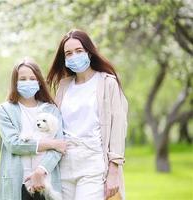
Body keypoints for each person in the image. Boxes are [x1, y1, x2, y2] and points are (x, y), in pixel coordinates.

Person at [46, 29, 128, 200]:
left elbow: (118, 128)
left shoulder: (107, 82)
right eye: (68, 53)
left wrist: (114, 171)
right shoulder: (64, 86)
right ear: (65, 59)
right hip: (65, 163)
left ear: (89, 53)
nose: (74, 56)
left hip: (93, 162)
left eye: (79, 51)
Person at [0, 58, 67, 200]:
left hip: (46, 182)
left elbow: (59, 150)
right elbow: (14, 144)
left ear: (39, 81)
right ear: (15, 83)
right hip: (18, 184)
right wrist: (51, 144)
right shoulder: (5, 110)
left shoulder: (52, 110)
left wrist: (41, 171)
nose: (27, 82)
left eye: (32, 78)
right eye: (22, 79)